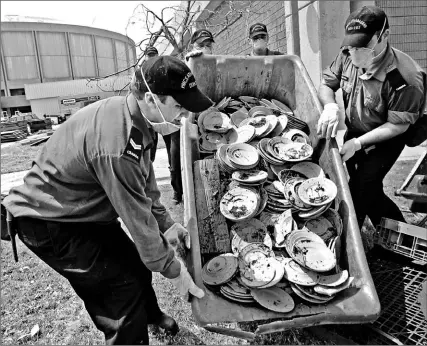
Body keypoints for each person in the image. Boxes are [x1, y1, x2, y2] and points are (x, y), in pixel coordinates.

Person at [3, 56, 214, 345]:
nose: (182, 115)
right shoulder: (118, 145)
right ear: (152, 99)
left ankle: (151, 316)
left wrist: (166, 224)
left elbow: (146, 184)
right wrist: (176, 272)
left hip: (82, 211)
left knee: (134, 265)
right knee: (118, 292)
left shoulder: (137, 117)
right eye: (178, 106)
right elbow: (138, 221)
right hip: (51, 219)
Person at [317, 6, 426, 229]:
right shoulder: (347, 54)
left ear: (384, 36)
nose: (354, 54)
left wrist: (358, 144)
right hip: (355, 128)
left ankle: (345, 244)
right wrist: (330, 106)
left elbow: (397, 126)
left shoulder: (404, 77)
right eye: (351, 46)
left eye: (363, 46)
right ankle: (399, 234)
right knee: (371, 190)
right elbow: (327, 84)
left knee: (359, 190)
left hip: (388, 135)